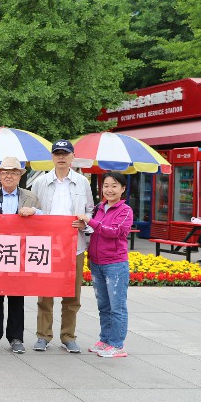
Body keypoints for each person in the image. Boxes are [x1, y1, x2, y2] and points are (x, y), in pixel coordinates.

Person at [29, 139, 94, 353]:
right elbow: (34, 210)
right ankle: (43, 335)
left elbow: (90, 210)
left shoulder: (82, 182)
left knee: (72, 294)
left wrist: (84, 222)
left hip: (74, 244)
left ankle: (68, 336)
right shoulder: (40, 182)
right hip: (47, 245)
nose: (61, 157)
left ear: (72, 156)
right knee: (44, 293)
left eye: (65, 153)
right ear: (52, 157)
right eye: (57, 153)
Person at [0, 156, 38, 354]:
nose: (8, 176)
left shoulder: (31, 198)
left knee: (16, 296)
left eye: (13, 172)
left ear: (20, 176)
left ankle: (16, 337)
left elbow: (42, 223)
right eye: (5, 172)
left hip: (20, 253)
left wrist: (35, 212)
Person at [77, 172, 134, 358]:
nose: (109, 190)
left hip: (115, 264)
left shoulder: (125, 211)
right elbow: (92, 230)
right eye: (106, 186)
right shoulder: (98, 208)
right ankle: (105, 340)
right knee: (103, 306)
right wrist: (85, 225)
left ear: (123, 189)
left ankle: (117, 345)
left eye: (114, 186)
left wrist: (90, 221)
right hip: (97, 263)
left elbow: (113, 231)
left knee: (117, 307)